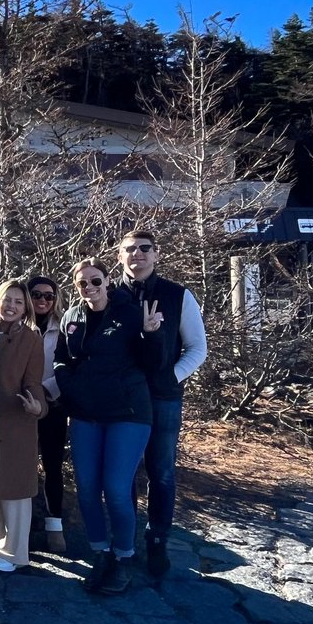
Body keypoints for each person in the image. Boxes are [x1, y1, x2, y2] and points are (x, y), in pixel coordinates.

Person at [55, 257, 166, 595]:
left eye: (96, 280)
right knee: (87, 488)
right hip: (86, 414)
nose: (90, 287)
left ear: (107, 280)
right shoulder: (71, 317)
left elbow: (152, 365)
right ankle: (100, 553)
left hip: (127, 413)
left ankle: (124, 557)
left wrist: (151, 335)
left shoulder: (130, 313)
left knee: (116, 488)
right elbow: (61, 358)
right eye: (82, 283)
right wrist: (69, 386)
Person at [116, 230, 208, 577]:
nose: (137, 254)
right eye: (129, 249)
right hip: (121, 400)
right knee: (122, 474)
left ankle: (157, 540)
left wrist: (172, 377)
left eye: (144, 248)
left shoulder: (177, 295)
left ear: (156, 254)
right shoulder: (110, 295)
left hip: (163, 398)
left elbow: (198, 347)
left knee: (162, 472)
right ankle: (125, 539)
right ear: (119, 256)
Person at [0, 280, 48, 572]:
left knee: (16, 491)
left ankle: (15, 552)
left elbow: (34, 382)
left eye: (18, 302)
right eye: (7, 300)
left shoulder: (31, 338)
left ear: (25, 307)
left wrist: (37, 407)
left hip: (16, 421)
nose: (11, 306)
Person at [27, 275, 68, 553]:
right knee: (23, 466)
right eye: (37, 295)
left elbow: (69, 365)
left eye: (49, 296)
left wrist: (47, 391)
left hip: (53, 403)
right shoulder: (16, 323)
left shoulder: (64, 327)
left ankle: (55, 526)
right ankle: (22, 525)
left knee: (53, 466)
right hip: (21, 405)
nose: (42, 300)